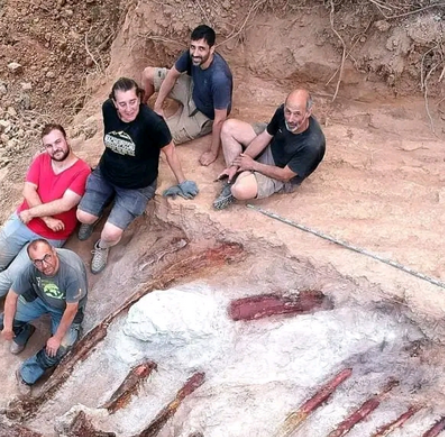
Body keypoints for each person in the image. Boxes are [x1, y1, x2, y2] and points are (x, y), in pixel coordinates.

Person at [0, 124, 91, 317]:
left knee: (14, 274)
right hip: (24, 220)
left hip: (49, 235)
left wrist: (35, 214)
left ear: (66, 139)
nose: (55, 148)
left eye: (58, 142)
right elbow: (28, 190)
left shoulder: (81, 170)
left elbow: (66, 204)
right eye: (49, 145)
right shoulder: (41, 160)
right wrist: (45, 217)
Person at [75, 77, 196, 274]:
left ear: (139, 98)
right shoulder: (107, 109)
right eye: (122, 104)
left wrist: (182, 181)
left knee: (111, 233)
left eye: (132, 102)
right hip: (106, 173)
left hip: (136, 186)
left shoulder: (152, 123)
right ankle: (97, 214)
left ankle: (102, 246)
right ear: (114, 103)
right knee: (83, 216)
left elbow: (170, 150)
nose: (129, 108)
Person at [212, 89, 326, 210]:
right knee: (229, 127)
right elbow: (266, 136)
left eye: (297, 114)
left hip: (282, 172)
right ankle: (236, 173)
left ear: (308, 112)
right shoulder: (282, 111)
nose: (291, 119)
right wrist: (237, 164)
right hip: (273, 146)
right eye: (288, 112)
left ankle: (237, 180)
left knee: (239, 190)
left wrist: (253, 165)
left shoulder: (312, 145)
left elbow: (285, 175)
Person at [0, 239, 87, 387]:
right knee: (4, 320)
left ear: (53, 251)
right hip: (41, 299)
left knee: (57, 350)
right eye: (38, 262)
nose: (44, 265)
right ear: (32, 262)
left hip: (65, 310)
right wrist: (7, 327)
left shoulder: (71, 272)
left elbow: (71, 309)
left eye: (47, 257)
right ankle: (23, 334)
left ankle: (26, 373)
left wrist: (57, 338)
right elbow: (12, 295)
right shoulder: (32, 269)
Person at [140, 24, 233, 167]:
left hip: (203, 114)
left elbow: (220, 119)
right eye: (193, 47)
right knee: (148, 74)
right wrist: (158, 107)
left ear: (212, 49)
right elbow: (171, 76)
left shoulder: (219, 78)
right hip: (193, 88)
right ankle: (143, 104)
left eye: (201, 48)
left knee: (153, 134)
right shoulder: (193, 56)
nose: (195, 53)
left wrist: (213, 153)